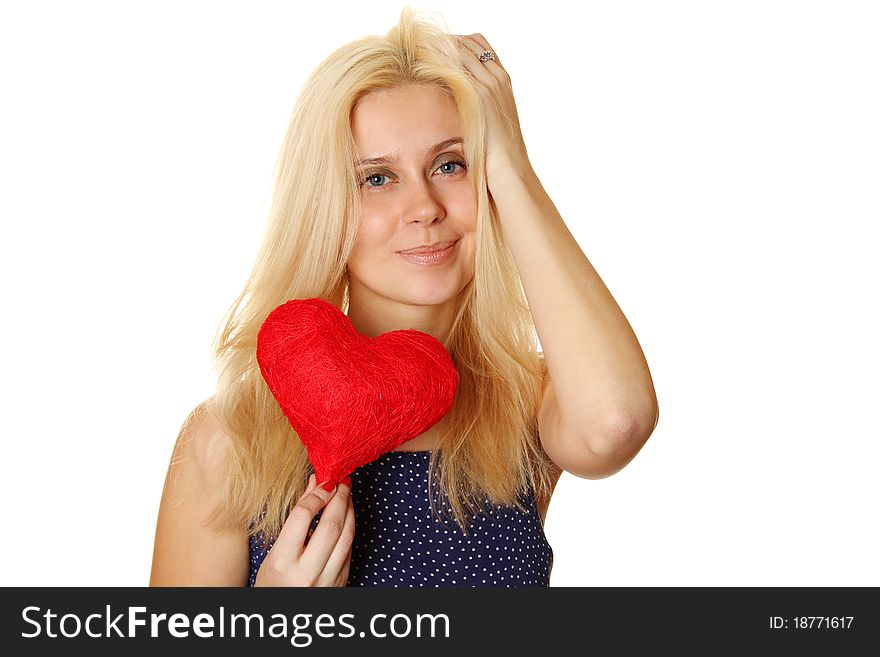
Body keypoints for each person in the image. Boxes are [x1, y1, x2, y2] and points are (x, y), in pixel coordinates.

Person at [149, 7, 658, 587]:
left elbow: (616, 422)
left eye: (451, 164)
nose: (424, 208)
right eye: (377, 177)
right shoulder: (227, 442)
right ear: (324, 208)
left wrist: (512, 164)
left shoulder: (526, 410)